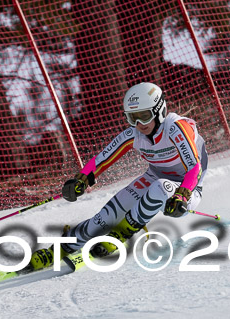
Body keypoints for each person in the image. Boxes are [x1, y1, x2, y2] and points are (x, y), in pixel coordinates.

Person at [30, 82, 208, 270]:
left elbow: (194, 167)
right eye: (133, 118)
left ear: (159, 111)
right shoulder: (135, 134)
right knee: (103, 218)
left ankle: (122, 233)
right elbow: (102, 159)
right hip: (154, 177)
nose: (139, 124)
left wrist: (182, 194)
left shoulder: (176, 127)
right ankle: (58, 249)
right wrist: (81, 179)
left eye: (144, 116)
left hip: (188, 188)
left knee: (160, 187)